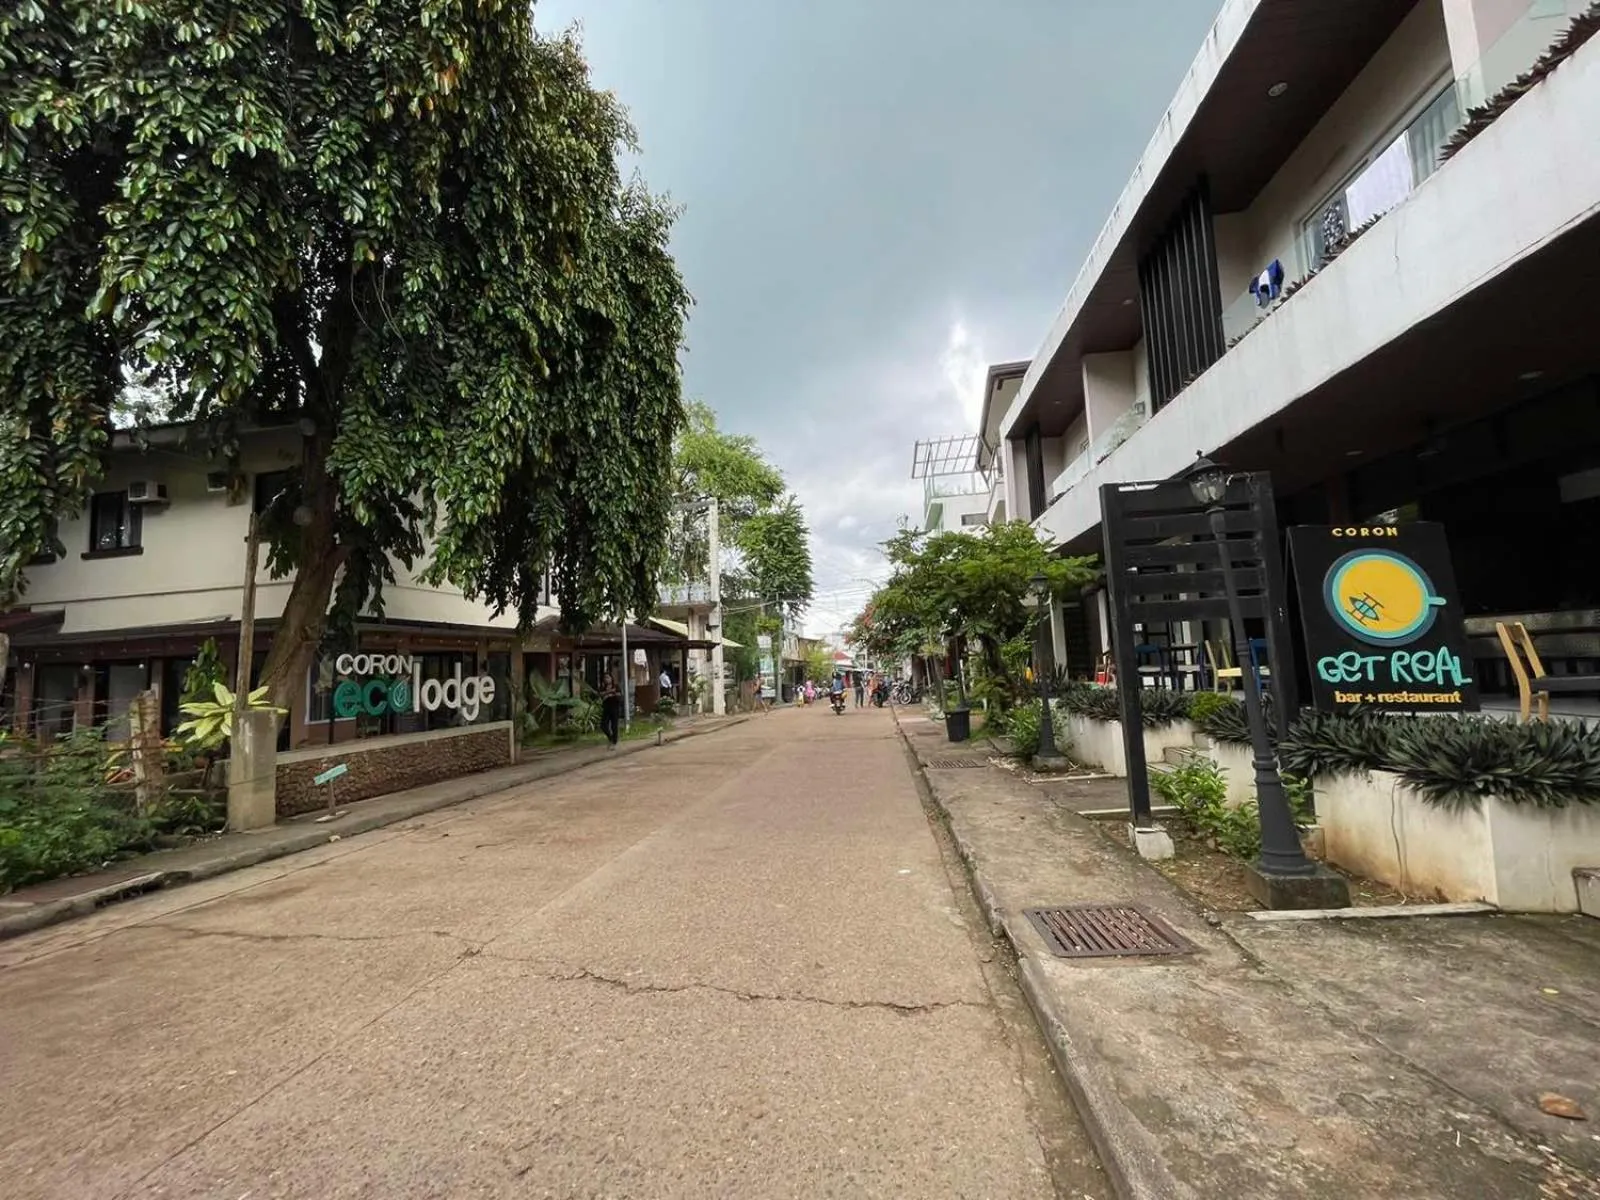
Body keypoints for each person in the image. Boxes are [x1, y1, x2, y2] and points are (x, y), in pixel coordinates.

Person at [599, 672, 622, 749]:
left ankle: (614, 742)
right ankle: (611, 737)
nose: (606, 679)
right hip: (606, 708)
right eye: (605, 678)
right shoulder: (603, 687)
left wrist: (611, 694)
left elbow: (619, 695)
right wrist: (610, 692)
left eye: (608, 677)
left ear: (611, 678)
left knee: (614, 726)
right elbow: (601, 694)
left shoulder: (616, 686)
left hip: (615, 708)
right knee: (603, 724)